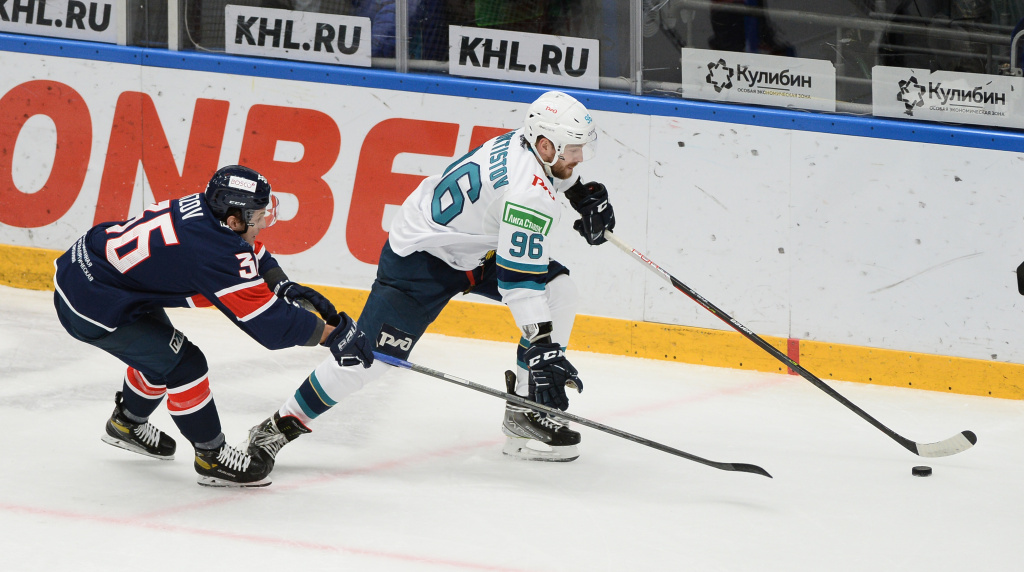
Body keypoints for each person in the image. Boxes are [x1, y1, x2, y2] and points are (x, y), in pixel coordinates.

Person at [243, 91, 615, 470]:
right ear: (545, 145)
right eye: (574, 150)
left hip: (472, 248)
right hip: (420, 262)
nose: (580, 158)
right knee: (366, 360)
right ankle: (275, 429)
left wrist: (576, 191)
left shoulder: (524, 140)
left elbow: (530, 184)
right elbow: (519, 282)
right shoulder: (530, 194)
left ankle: (525, 410)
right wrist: (542, 348)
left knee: (558, 291)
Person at [53, 165, 373, 487]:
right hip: (92, 304)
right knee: (185, 366)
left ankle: (126, 424)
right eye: (258, 216)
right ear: (234, 220)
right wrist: (332, 336)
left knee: (159, 358)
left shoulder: (208, 213)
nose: (263, 223)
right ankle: (212, 457)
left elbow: (245, 252)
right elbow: (270, 325)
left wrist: (281, 284)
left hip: (96, 276)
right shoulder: (211, 253)